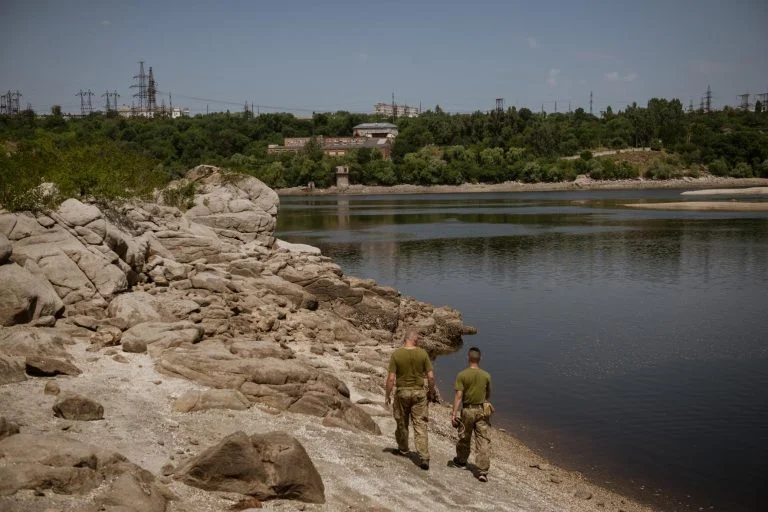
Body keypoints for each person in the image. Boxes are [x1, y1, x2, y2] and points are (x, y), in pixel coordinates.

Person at [385, 329, 437, 470]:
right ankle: (424, 457)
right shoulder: (423, 354)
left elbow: (391, 379)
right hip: (419, 393)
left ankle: (403, 449)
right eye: (418, 339)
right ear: (414, 339)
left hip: (402, 392)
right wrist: (431, 392)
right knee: (420, 425)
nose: (418, 341)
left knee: (402, 422)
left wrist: (387, 395)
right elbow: (431, 377)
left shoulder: (396, 354)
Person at [450, 346, 492, 482]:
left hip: (467, 410)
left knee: (464, 436)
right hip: (482, 411)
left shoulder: (462, 375)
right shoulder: (486, 375)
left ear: (468, 358)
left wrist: (454, 413)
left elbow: (458, 396)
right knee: (483, 440)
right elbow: (488, 394)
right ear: (480, 359)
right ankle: (482, 471)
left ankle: (461, 461)